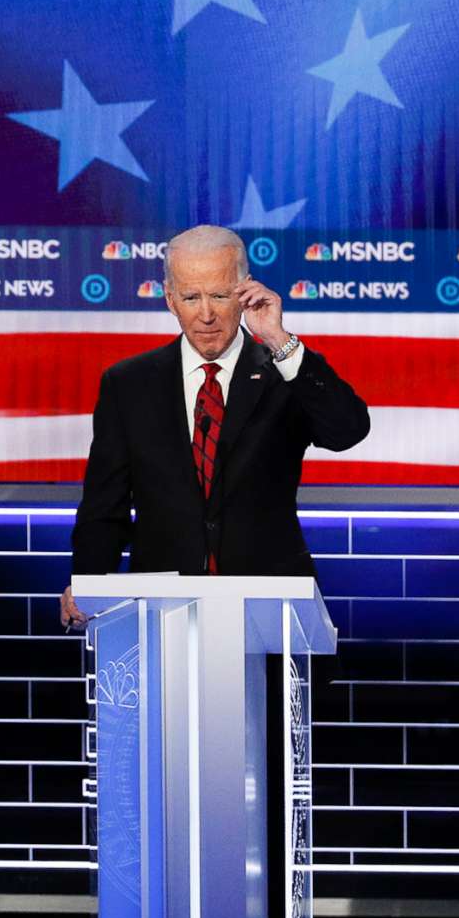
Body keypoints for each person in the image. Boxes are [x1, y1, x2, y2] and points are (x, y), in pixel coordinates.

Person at [60, 223, 371, 629]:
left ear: (245, 292)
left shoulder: (284, 372)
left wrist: (279, 341)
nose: (206, 314)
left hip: (269, 606)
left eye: (220, 296)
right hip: (163, 611)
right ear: (171, 299)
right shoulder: (129, 384)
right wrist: (89, 582)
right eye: (191, 297)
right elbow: (106, 505)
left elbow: (347, 430)